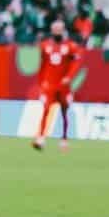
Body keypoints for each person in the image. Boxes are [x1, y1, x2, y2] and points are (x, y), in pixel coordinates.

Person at [33, 19, 81, 151]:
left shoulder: (71, 46)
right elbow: (42, 65)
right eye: (55, 29)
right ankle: (41, 138)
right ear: (52, 31)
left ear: (63, 30)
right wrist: (41, 82)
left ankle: (64, 139)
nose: (57, 32)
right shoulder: (45, 46)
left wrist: (69, 77)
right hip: (49, 85)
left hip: (63, 86)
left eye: (60, 29)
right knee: (46, 109)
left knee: (64, 112)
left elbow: (76, 64)